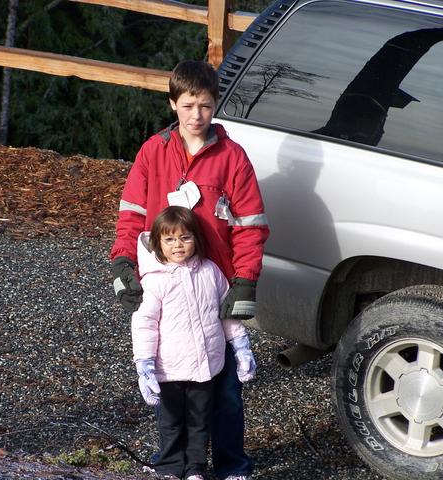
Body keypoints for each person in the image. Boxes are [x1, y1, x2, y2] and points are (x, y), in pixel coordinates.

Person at [111, 59, 269, 480]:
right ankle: (176, 464)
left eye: (205, 105)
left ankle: (232, 465)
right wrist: (123, 262)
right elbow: (131, 213)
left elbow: (251, 226)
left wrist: (244, 280)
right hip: (166, 284)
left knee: (227, 389)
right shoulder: (153, 151)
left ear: (215, 104)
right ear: (172, 105)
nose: (197, 115)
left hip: (215, 284)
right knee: (174, 386)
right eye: (187, 106)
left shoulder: (232, 157)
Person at [132, 206, 256, 480]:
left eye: (185, 238)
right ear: (158, 243)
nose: (178, 245)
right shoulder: (154, 282)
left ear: (196, 239)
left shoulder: (210, 272)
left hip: (206, 365)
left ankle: (195, 468)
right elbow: (144, 324)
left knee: (200, 420)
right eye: (170, 239)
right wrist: (144, 363)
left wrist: (241, 347)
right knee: (172, 421)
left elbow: (227, 314)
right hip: (169, 368)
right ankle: (170, 467)